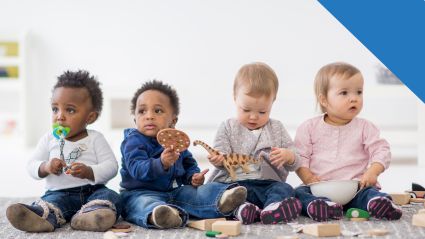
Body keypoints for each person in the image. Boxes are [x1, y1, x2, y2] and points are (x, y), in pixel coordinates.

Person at [120, 80, 247, 229]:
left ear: (173, 121)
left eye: (158, 111)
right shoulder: (133, 142)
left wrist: (193, 177)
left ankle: (222, 199)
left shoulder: (176, 142)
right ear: (135, 119)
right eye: (142, 111)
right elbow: (137, 168)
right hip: (140, 193)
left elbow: (188, 163)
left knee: (196, 193)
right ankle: (161, 215)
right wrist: (161, 163)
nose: (149, 116)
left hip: (174, 192)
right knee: (141, 204)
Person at [6, 70, 121, 232]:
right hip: (59, 193)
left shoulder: (95, 138)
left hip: (92, 191)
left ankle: (92, 215)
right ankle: (42, 217)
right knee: (50, 203)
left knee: (110, 197)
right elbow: (31, 165)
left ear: (90, 117)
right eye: (55, 109)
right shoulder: (49, 139)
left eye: (70, 110)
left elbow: (112, 166)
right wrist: (45, 167)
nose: (60, 116)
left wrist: (89, 171)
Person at [294, 62, 402, 221]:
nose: (354, 98)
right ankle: (321, 207)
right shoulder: (308, 127)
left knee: (369, 193)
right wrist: (308, 178)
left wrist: (373, 172)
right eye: (344, 93)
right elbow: (299, 157)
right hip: (319, 188)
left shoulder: (365, 127)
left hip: (356, 188)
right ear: (323, 100)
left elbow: (381, 150)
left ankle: (378, 203)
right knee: (298, 193)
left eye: (359, 92)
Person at [207, 62, 302, 225]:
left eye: (262, 112)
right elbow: (220, 154)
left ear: (273, 102)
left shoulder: (277, 128)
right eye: (246, 110)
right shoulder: (228, 127)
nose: (253, 117)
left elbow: (296, 162)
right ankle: (242, 209)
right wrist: (219, 159)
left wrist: (289, 156)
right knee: (220, 194)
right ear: (235, 97)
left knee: (285, 189)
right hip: (234, 184)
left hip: (266, 184)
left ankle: (273, 208)